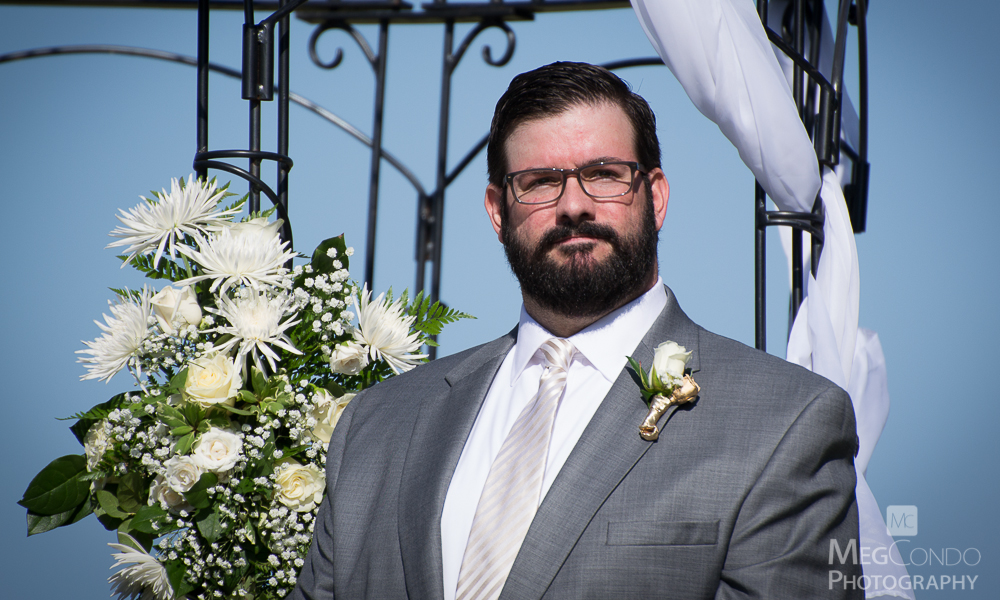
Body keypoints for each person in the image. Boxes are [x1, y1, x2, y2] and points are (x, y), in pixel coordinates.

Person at [292, 62, 862, 600]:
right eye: (540, 181)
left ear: (655, 196)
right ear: (497, 211)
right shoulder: (375, 426)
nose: (573, 205)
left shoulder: (785, 422)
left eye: (604, 175)